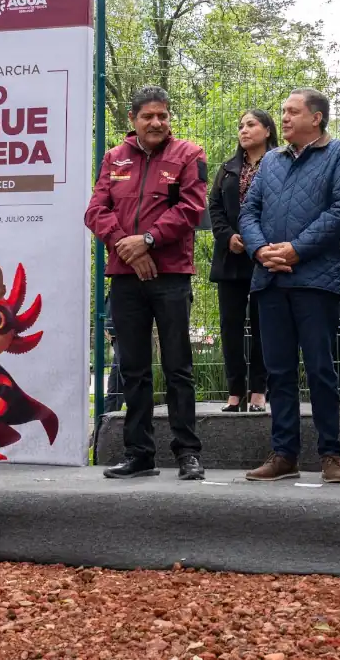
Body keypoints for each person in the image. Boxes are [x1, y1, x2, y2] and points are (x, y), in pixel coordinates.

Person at [239, 88, 340, 483]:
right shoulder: (272, 162)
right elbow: (248, 211)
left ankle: (331, 454)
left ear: (317, 118)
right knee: (278, 372)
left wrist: (295, 250)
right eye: (283, 112)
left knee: (321, 369)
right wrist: (262, 252)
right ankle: (284, 455)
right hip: (270, 280)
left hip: (315, 281)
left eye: (292, 112)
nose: (285, 118)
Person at [84, 85, 208, 480]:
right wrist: (126, 247)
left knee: (178, 367)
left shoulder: (190, 155)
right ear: (132, 119)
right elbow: (95, 210)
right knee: (133, 367)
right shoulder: (113, 158)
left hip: (171, 274)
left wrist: (149, 241)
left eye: (163, 115)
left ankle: (188, 452)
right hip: (124, 276)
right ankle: (139, 454)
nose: (156, 122)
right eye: (148, 116)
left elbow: (191, 208)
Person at [208, 110, 278, 413]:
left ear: (267, 130)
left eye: (251, 125)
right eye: (240, 126)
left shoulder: (281, 164)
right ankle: (235, 391)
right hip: (231, 257)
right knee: (230, 326)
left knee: (264, 325)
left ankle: (259, 390)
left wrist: (257, 242)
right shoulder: (227, 169)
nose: (243, 130)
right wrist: (228, 237)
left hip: (265, 256)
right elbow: (214, 208)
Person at [103, 291, 124, 413]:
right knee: (114, 389)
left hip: (125, 338)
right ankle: (104, 428)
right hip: (117, 340)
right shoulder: (115, 286)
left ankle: (104, 428)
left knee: (128, 384)